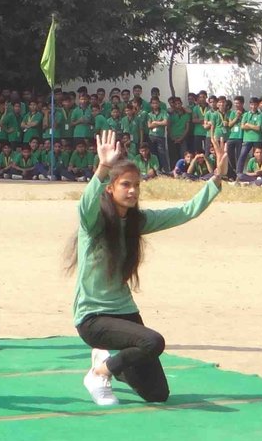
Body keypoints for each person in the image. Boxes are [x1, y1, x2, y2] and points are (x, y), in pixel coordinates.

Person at [70, 130, 228, 406]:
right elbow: (85, 206)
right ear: (110, 188)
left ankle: (108, 361)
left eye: (136, 185)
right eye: (125, 185)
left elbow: (185, 211)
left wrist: (217, 177)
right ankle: (99, 373)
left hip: (125, 313)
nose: (132, 191)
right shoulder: (93, 223)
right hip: (93, 318)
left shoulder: (137, 221)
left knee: (157, 394)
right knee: (153, 342)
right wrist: (103, 167)